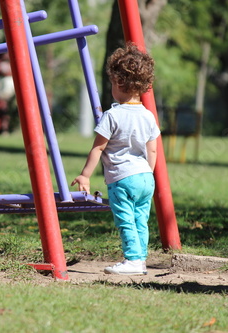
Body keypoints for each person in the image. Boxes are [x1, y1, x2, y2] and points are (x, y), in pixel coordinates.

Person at [71, 43, 159, 275]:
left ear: (119, 83)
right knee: (141, 220)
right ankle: (140, 260)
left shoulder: (112, 115)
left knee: (125, 220)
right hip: (146, 178)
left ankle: (131, 260)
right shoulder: (148, 116)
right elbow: (153, 151)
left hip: (122, 178)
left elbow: (98, 149)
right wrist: (148, 172)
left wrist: (85, 175)